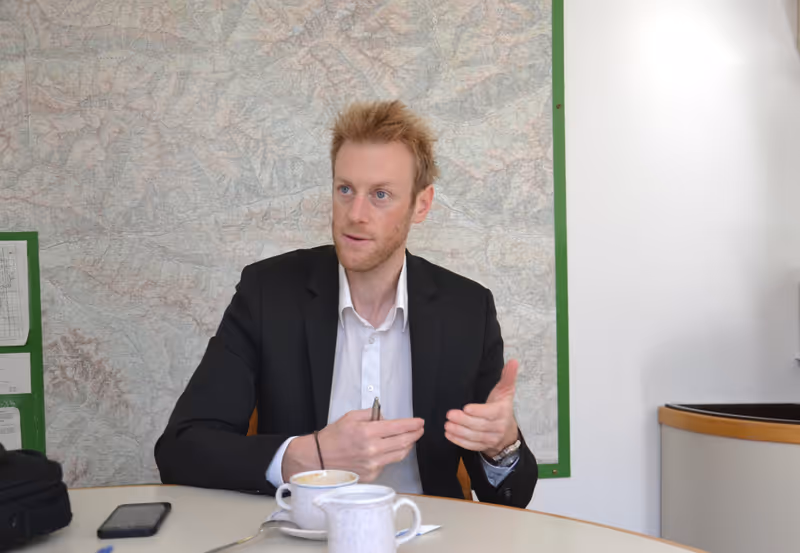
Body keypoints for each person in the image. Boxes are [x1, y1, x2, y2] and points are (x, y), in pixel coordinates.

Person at [154, 100, 538, 507]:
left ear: (421, 205)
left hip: (423, 531)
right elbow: (181, 449)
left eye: (380, 194)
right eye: (345, 190)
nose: (355, 213)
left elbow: (510, 497)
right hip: (301, 530)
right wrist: (307, 456)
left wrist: (501, 446)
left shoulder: (468, 311)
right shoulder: (268, 293)